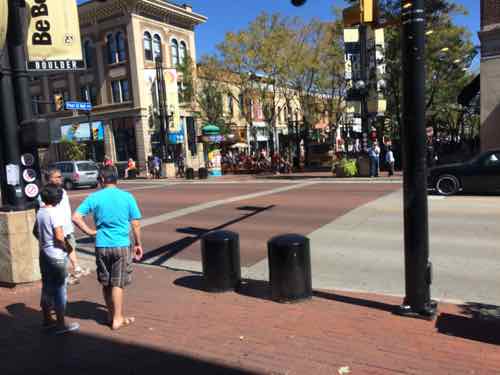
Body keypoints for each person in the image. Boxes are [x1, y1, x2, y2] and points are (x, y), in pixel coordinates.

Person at [72, 166, 143, 330]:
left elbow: (76, 217)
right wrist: (138, 243)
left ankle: (111, 315)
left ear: (102, 180)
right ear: (116, 179)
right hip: (121, 245)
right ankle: (118, 318)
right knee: (118, 282)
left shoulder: (94, 197)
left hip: (101, 245)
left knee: (106, 282)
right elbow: (135, 223)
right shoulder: (127, 197)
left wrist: (90, 232)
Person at [36, 184, 80, 334]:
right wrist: (66, 247)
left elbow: (35, 231)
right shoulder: (55, 213)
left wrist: (45, 242)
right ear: (58, 198)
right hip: (56, 255)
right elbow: (60, 236)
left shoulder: (41, 212)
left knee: (47, 287)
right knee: (60, 290)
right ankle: (61, 324)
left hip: (44, 253)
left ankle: (47, 318)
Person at [39, 168, 89, 285]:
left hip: (66, 227)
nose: (60, 179)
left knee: (70, 247)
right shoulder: (46, 194)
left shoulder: (62, 190)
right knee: (62, 252)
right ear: (49, 179)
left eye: (60, 176)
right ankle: (64, 276)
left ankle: (76, 268)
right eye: (57, 177)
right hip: (58, 229)